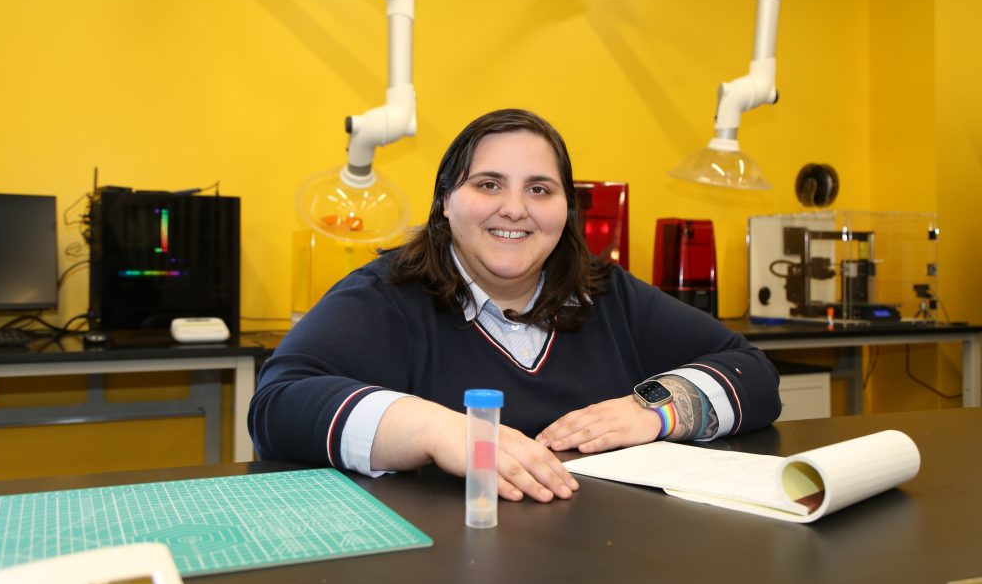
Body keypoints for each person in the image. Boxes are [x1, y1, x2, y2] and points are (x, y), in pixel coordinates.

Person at [251, 108, 781, 504]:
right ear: (444, 202)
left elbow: (752, 373)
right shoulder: (385, 296)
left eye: (540, 189)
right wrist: (438, 430)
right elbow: (277, 405)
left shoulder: (608, 294)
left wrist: (658, 410)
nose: (515, 208)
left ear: (566, 209)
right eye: (488, 184)